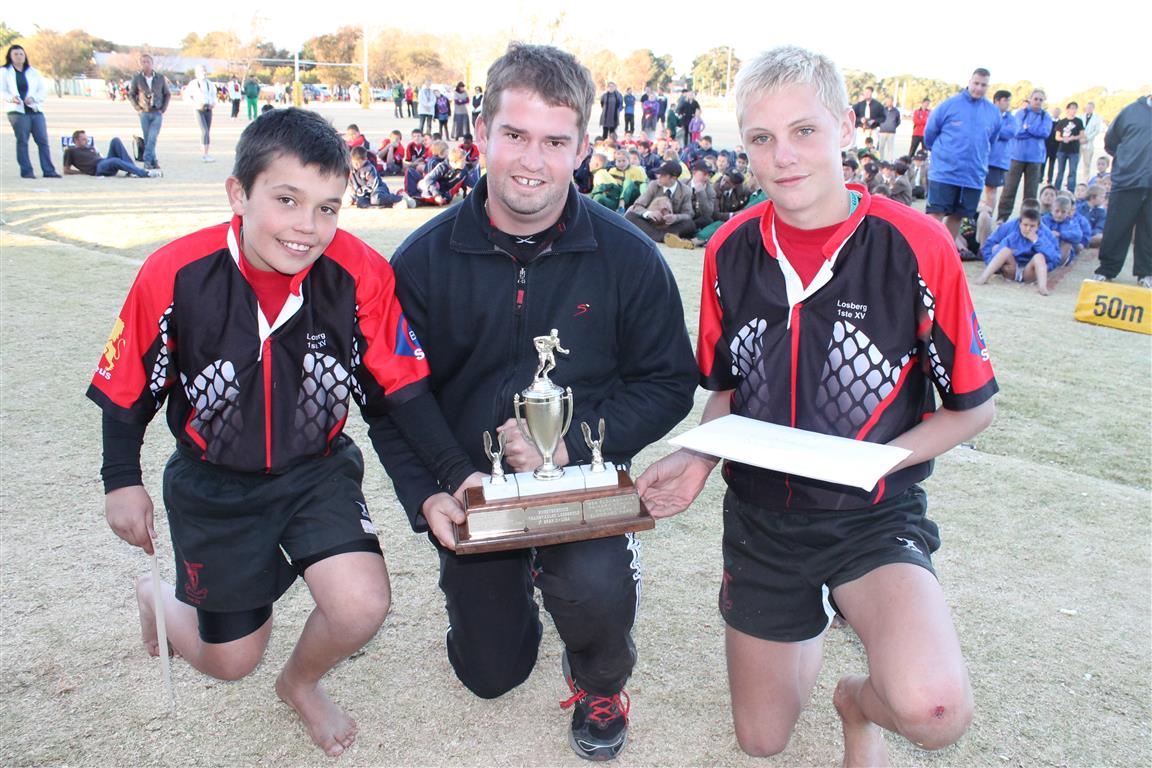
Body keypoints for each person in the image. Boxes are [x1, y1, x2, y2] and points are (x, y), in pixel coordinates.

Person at [636, 45, 997, 766]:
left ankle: (855, 704)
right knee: (762, 741)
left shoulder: (918, 245)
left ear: (845, 127)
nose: (783, 156)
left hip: (874, 516)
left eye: (804, 130)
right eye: (761, 138)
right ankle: (811, 609)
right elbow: (729, 391)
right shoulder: (729, 249)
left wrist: (870, 463)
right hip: (764, 521)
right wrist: (698, 459)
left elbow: (971, 409)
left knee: (934, 710)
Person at [87, 108, 476, 757]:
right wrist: (120, 479)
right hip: (214, 487)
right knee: (232, 661)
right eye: (287, 200)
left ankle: (299, 684)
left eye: (327, 208)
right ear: (238, 194)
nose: (307, 227)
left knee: (361, 606)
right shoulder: (174, 272)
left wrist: (458, 476)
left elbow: (402, 390)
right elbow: (128, 384)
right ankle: (157, 596)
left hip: (316, 472)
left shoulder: (360, 273)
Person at [377, 42, 697, 762]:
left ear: (583, 148)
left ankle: (601, 678)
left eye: (555, 141)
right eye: (515, 135)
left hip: (577, 484)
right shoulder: (422, 261)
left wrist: (570, 442)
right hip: (473, 486)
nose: (532, 160)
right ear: (481, 132)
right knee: (490, 675)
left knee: (592, 586)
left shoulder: (629, 256)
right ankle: (508, 580)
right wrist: (429, 491)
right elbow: (391, 398)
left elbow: (670, 383)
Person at [923, 68, 1000, 244]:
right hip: (945, 173)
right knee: (935, 214)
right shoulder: (949, 105)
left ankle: (945, 250)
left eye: (983, 85)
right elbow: (930, 135)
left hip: (972, 176)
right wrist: (944, 156)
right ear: (969, 82)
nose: (979, 88)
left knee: (958, 215)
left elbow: (992, 140)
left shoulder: (992, 112)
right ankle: (927, 249)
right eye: (976, 83)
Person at [1091, 94, 1152, 287]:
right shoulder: (1130, 111)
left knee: (1149, 230)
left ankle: (1146, 273)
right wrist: (1127, 162)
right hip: (1127, 180)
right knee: (1117, 227)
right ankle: (1106, 270)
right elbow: (1111, 142)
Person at [1, 44, 59, 179]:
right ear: (10, 56)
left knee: (43, 140)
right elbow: (1, 90)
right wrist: (11, 98)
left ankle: (48, 170)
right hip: (17, 111)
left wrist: (33, 98)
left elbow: (42, 90)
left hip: (34, 109)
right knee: (23, 141)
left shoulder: (33, 72)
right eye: (15, 54)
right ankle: (27, 171)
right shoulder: (4, 72)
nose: (19, 56)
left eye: (21, 54)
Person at [996, 90, 1053, 223]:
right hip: (1017, 156)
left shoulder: (1045, 116)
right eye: (1035, 99)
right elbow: (1017, 132)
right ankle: (1002, 217)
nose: (1038, 102)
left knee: (1031, 192)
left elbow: (1045, 133)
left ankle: (1028, 218)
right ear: (1030, 99)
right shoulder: (1021, 113)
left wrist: (1028, 128)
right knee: (1009, 188)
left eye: (1041, 99)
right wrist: (1031, 131)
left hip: (1035, 158)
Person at [976, 208, 1061, 294]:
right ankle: (984, 277)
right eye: (1025, 225)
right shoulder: (1013, 236)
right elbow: (998, 253)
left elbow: (1053, 256)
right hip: (1012, 269)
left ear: (1038, 227)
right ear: (1020, 224)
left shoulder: (1042, 237)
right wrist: (1000, 269)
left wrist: (1036, 241)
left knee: (1039, 257)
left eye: (1032, 226)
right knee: (1004, 250)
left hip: (1029, 272)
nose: (1028, 229)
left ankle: (1042, 287)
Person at [624, 160, 697, 244]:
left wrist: (675, 217)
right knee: (630, 216)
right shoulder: (653, 185)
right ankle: (664, 237)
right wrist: (649, 213)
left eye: (663, 175)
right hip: (651, 222)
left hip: (669, 225)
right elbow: (637, 206)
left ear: (673, 177)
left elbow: (688, 214)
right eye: (659, 174)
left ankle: (655, 236)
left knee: (690, 224)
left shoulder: (685, 190)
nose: (659, 177)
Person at [128, 53, 170, 171]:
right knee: (147, 138)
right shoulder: (137, 78)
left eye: (148, 62)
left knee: (152, 137)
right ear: (140, 64)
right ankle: (153, 160)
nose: (146, 64)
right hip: (144, 112)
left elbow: (167, 94)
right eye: (143, 62)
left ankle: (147, 161)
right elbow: (131, 94)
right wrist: (138, 108)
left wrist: (163, 109)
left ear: (152, 63)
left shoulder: (160, 78)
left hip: (157, 112)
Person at [62, 130, 162, 178]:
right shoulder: (70, 151)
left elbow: (98, 156)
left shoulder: (90, 147)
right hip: (97, 168)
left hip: (103, 161)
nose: (86, 141)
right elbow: (66, 170)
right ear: (76, 140)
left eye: (86, 139)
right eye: (83, 139)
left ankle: (132, 170)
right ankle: (144, 173)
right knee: (114, 161)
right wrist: (82, 172)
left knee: (115, 140)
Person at [185, 66, 216, 162]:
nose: (204, 73)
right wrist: (196, 104)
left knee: (207, 131)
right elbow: (187, 96)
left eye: (205, 71)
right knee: (204, 131)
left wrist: (213, 103)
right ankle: (204, 154)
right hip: (198, 109)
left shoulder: (210, 84)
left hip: (208, 109)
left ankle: (206, 152)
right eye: (202, 71)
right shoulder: (193, 84)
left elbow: (213, 96)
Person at [1053, 102, 1085, 193]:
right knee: (1060, 171)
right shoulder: (1062, 122)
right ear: (1067, 109)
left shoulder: (1079, 121)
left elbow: (1082, 135)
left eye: (1075, 108)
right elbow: (1057, 137)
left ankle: (1070, 191)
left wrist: (1072, 138)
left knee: (1072, 171)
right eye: (1072, 108)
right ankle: (1056, 190)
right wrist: (1064, 139)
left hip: (1074, 150)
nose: (1073, 110)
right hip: (1062, 150)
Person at [1080, 101, 1104, 180]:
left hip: (1089, 143)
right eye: (1087, 107)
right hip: (1080, 141)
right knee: (1075, 162)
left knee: (1087, 163)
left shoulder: (1097, 118)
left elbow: (1096, 131)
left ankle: (1085, 180)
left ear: (1093, 108)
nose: (1088, 109)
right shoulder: (1081, 117)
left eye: (1090, 108)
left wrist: (1087, 138)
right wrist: (1081, 138)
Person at [877, 96, 900, 161]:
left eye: (889, 101)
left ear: (892, 102)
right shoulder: (882, 110)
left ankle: (890, 161)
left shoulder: (896, 111)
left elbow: (898, 121)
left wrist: (893, 126)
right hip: (882, 131)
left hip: (891, 132)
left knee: (890, 148)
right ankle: (880, 160)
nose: (888, 103)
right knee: (881, 147)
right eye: (887, 101)